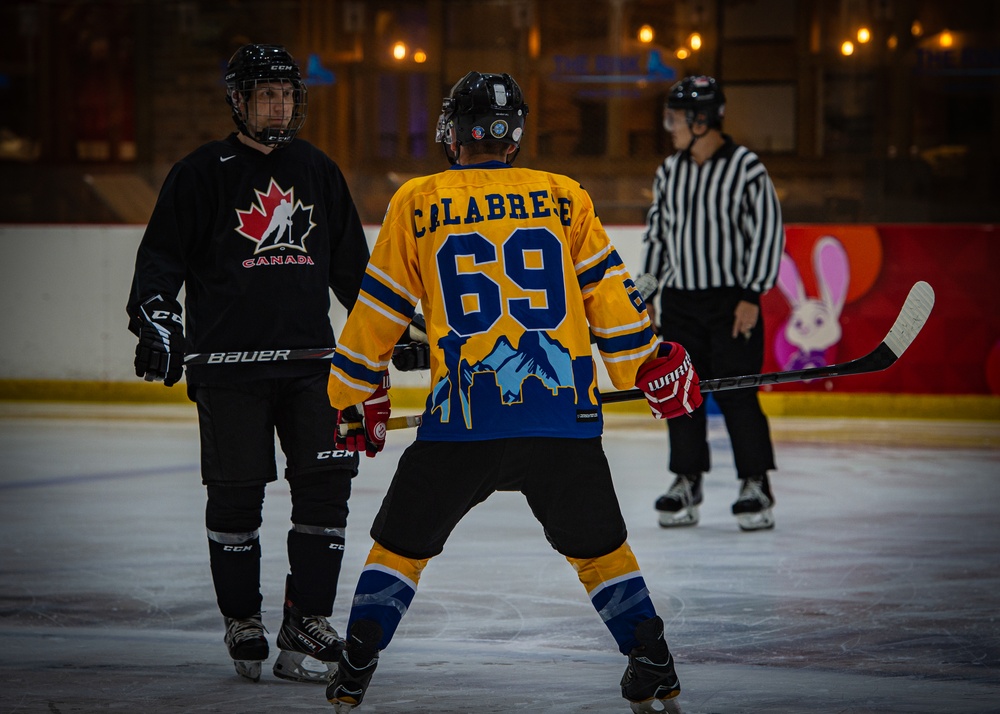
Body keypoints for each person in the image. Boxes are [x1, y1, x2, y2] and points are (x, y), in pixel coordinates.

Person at [322, 71, 703, 713]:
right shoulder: (563, 196)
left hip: (463, 416)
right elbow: (609, 293)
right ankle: (652, 662)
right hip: (560, 415)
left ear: (454, 131)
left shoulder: (417, 200)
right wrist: (646, 362)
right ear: (513, 135)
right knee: (601, 549)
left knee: (400, 548)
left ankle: (355, 665)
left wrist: (351, 392)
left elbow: (378, 308)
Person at [126, 43, 371, 683]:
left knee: (326, 493)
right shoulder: (200, 172)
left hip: (312, 366)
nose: (279, 104)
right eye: (266, 93)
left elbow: (357, 275)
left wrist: (391, 331)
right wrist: (155, 313)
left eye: (287, 93)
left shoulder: (318, 170)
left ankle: (305, 619)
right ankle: (243, 618)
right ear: (238, 99)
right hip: (229, 369)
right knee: (236, 500)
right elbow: (159, 263)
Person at [638, 75, 785, 532]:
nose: (670, 126)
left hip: (730, 303)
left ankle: (755, 483)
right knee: (680, 397)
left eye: (676, 118)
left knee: (738, 394)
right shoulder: (669, 171)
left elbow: (767, 232)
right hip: (681, 302)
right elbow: (659, 234)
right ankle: (686, 480)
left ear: (702, 120)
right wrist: (648, 291)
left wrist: (750, 295)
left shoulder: (746, 168)